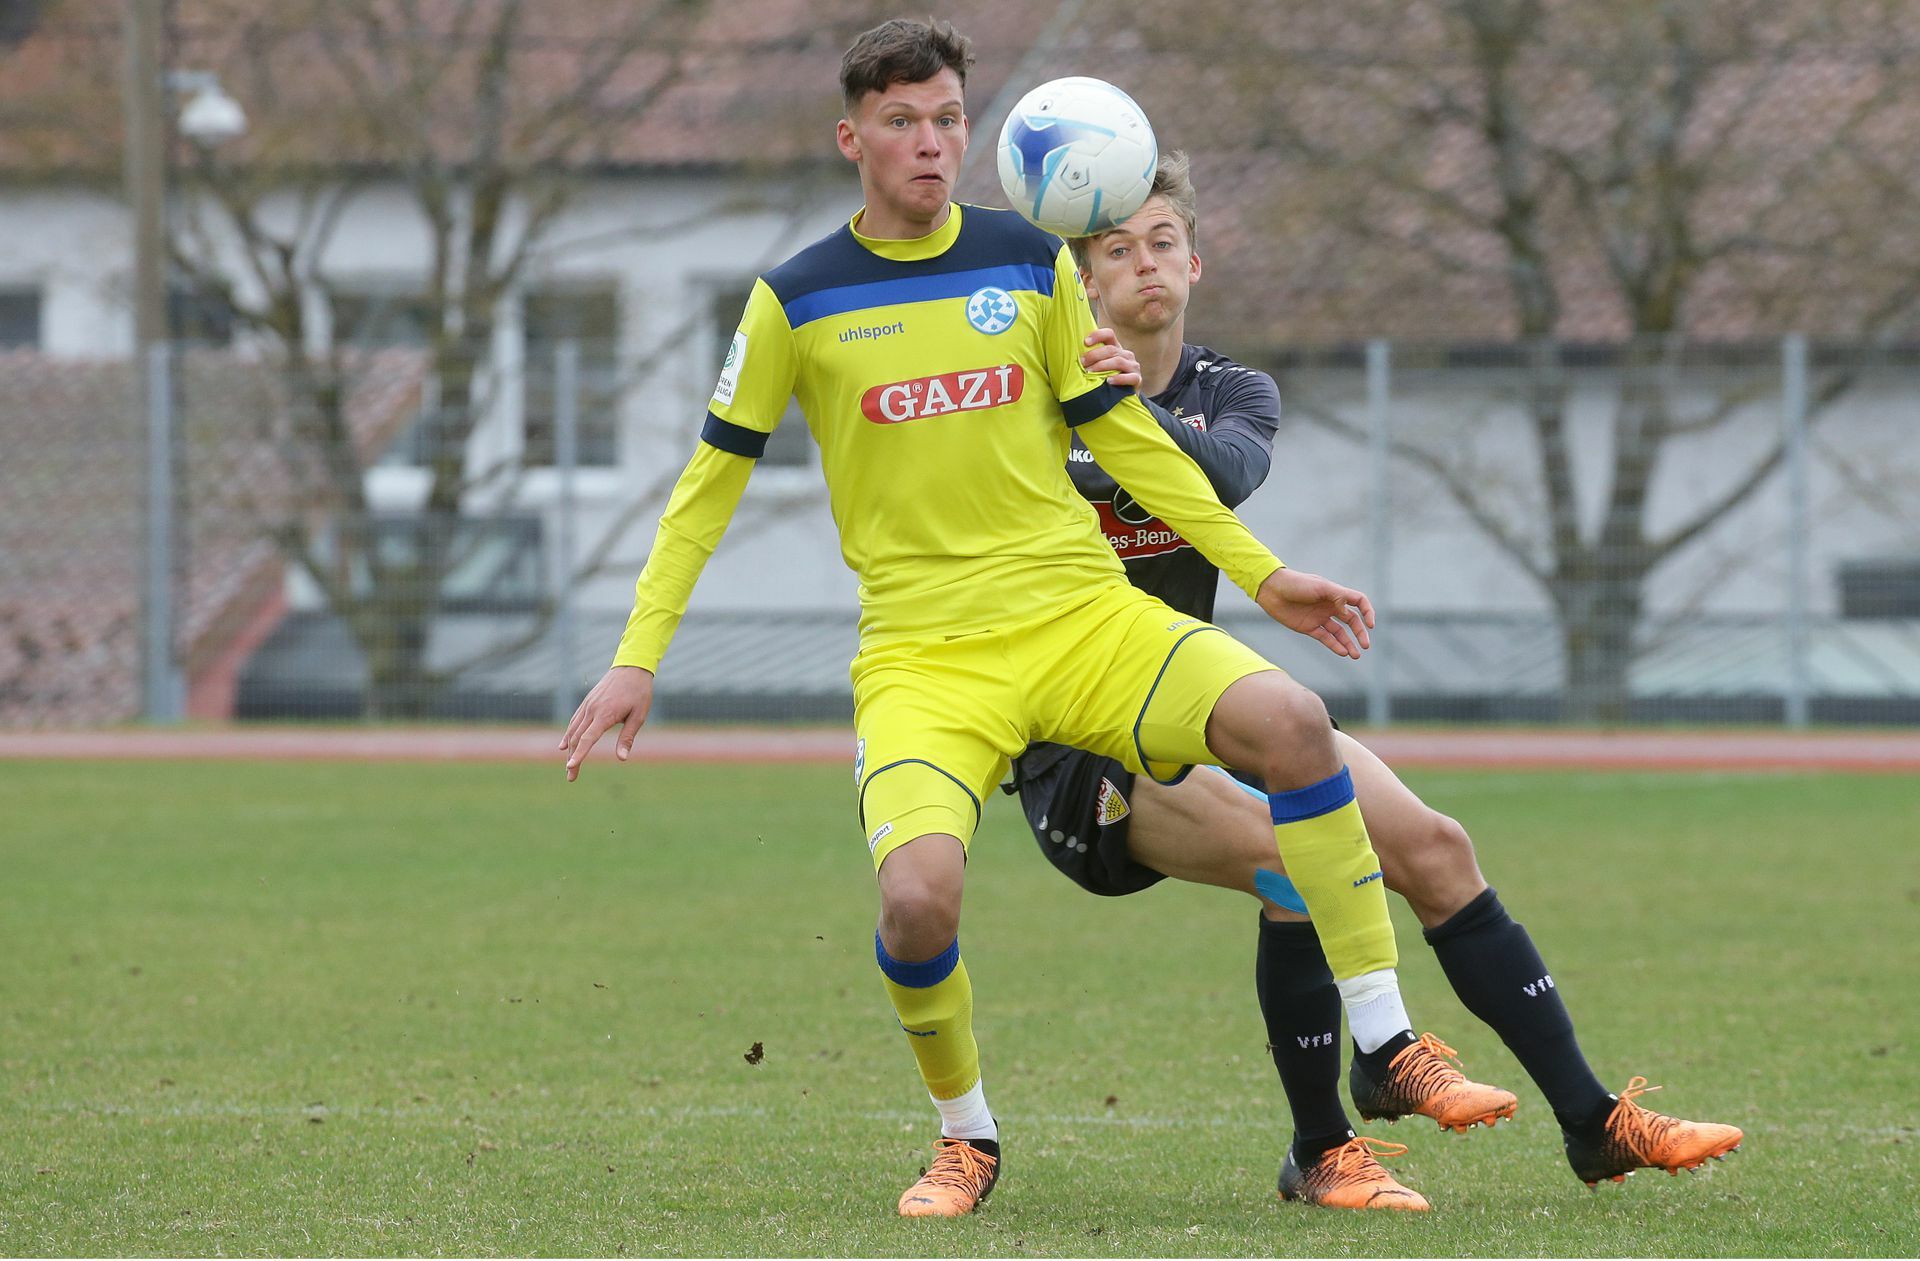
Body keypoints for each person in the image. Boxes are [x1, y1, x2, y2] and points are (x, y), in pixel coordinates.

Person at [565, 17, 1422, 1219]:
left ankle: (1389, 1042)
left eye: (950, 118)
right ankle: (966, 1137)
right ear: (852, 136)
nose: (931, 143)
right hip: (925, 661)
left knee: (1291, 718)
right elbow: (705, 492)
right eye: (905, 122)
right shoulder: (795, 300)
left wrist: (1263, 573)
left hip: (1079, 619)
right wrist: (635, 658)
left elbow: (1127, 437)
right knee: (917, 898)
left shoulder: (1032, 261)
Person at [1015, 152, 1745, 1211]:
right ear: (1083, 285)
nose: (1144, 267)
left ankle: (1595, 1125)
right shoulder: (1036, 401)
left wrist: (1140, 415)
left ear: (1197, 262)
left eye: (1161, 242)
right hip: (1079, 749)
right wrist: (1089, 402)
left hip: (1202, 699)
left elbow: (1219, 478)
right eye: (1115, 251)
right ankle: (1324, 1143)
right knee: (1297, 856)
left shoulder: (1234, 392)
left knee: (1436, 845)